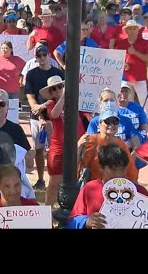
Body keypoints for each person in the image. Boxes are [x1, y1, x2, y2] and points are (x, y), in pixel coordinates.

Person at [67, 144, 148, 229]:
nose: (118, 174)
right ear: (101, 167)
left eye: (122, 169)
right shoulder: (90, 189)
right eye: (113, 169)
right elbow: (72, 222)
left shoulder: (140, 192)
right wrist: (87, 221)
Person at [39, 76, 85, 205]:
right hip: (59, 147)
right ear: (51, 93)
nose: (58, 90)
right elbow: (54, 114)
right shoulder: (51, 105)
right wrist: (64, 97)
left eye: (60, 86)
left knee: (77, 179)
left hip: (78, 145)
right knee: (54, 181)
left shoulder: (76, 101)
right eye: (54, 89)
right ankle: (47, 211)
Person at [24, 44, 64, 189]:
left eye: (44, 54)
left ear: (48, 55)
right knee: (39, 149)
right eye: (38, 55)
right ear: (35, 57)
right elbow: (30, 95)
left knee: (56, 150)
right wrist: (36, 109)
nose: (42, 57)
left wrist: (44, 107)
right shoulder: (31, 73)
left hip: (57, 117)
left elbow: (61, 94)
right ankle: (41, 179)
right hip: (37, 117)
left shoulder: (57, 73)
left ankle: (56, 181)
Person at [77, 110, 139, 184]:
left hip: (116, 187)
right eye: (108, 121)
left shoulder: (121, 143)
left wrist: (133, 187)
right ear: (99, 124)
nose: (112, 124)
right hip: (95, 188)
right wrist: (79, 146)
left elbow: (130, 169)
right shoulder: (91, 141)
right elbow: (79, 164)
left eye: (115, 122)